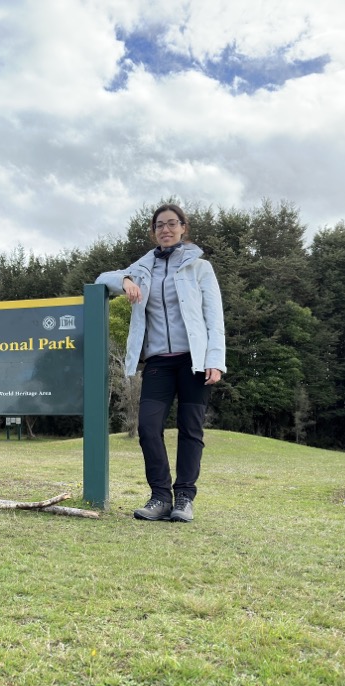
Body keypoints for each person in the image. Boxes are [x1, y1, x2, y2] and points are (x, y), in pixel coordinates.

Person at [96, 203, 226, 522]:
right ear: (154, 231)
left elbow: (214, 317)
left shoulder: (200, 268)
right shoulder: (144, 267)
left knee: (190, 429)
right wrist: (126, 280)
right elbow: (103, 278)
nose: (165, 230)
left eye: (171, 224)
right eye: (159, 225)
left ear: (183, 228)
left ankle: (184, 497)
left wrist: (215, 360)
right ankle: (160, 496)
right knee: (148, 427)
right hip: (158, 362)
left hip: (194, 361)